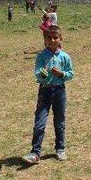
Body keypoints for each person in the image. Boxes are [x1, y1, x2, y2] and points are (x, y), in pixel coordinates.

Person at [22, 25, 74, 164]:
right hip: (44, 91)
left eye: (55, 37)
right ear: (44, 39)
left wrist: (62, 74)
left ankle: (60, 149)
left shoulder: (65, 57)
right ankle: (35, 153)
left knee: (59, 121)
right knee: (39, 122)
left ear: (60, 39)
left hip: (59, 91)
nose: (52, 40)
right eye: (49, 38)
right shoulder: (41, 56)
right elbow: (37, 74)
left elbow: (71, 73)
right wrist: (42, 75)